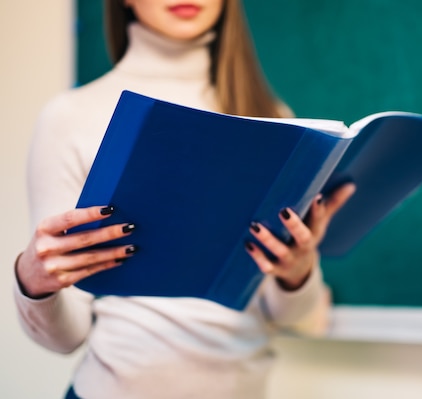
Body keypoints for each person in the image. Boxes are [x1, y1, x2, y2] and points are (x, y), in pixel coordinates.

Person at [13, 1, 355, 398]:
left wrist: (298, 271)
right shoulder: (70, 116)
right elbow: (66, 336)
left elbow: (291, 318)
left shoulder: (273, 118)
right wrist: (34, 283)